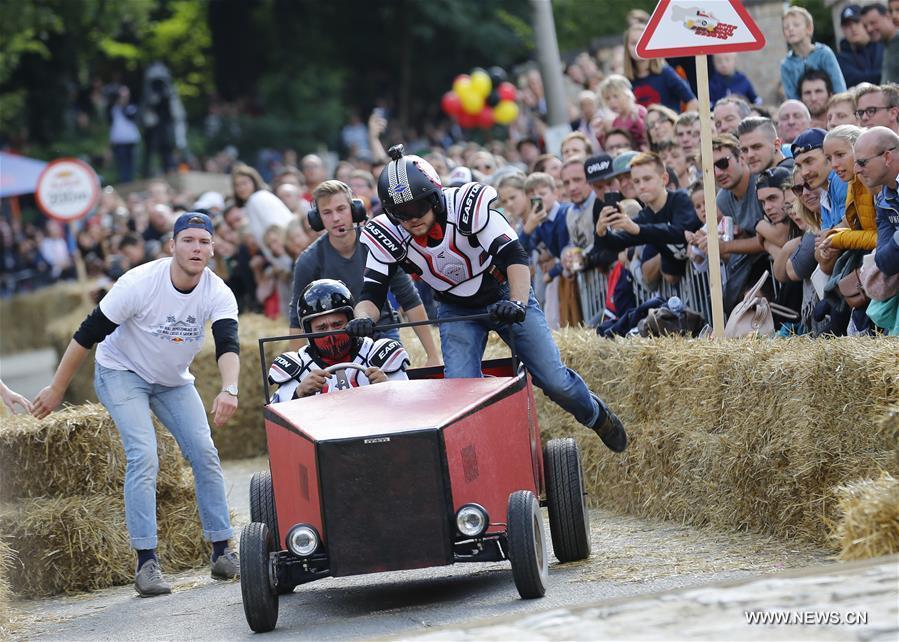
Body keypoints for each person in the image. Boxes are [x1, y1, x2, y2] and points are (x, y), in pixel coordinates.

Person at [350, 145, 627, 453]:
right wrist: (362, 318)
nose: (412, 218)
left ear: (435, 198)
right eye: (401, 213)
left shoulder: (468, 207)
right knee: (461, 394)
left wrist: (518, 303)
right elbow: (371, 293)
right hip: (456, 308)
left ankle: (596, 415)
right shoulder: (387, 234)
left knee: (554, 381)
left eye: (418, 207)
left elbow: (515, 257)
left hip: (504, 292)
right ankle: (491, 450)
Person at [30, 212, 240, 597]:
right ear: (172, 246)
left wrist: (230, 388)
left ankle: (222, 550)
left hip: (172, 381)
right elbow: (86, 334)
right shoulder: (139, 283)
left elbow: (227, 344)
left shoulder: (218, 291)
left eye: (204, 242)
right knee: (144, 454)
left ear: (213, 249)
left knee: (205, 453)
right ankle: (146, 563)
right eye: (188, 240)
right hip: (121, 371)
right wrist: (57, 389)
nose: (196, 248)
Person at [288, 180, 441, 364]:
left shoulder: (378, 244)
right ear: (317, 219)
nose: (336, 218)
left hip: (382, 332)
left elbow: (409, 298)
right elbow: (297, 319)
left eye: (341, 209)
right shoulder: (309, 260)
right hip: (336, 341)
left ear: (355, 210)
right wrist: (299, 370)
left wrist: (433, 356)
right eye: (327, 212)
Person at [269, 279, 408, 402]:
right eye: (322, 328)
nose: (331, 336)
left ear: (350, 321)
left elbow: (408, 406)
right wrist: (298, 395)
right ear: (309, 331)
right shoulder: (295, 367)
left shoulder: (380, 354)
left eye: (337, 324)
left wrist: (388, 387)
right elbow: (276, 418)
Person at [593, 152, 700, 284]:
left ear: (664, 179)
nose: (641, 186)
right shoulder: (645, 216)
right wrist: (601, 231)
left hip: (712, 279)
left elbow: (680, 232)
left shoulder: (680, 199)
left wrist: (637, 229)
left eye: (647, 179)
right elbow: (615, 243)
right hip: (689, 287)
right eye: (636, 181)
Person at [854, 127, 899, 276]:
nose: (856, 170)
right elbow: (884, 263)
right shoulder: (883, 200)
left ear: (887, 157)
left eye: (862, 162)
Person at [622, 24, 698, 113]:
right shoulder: (624, 80)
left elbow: (693, 102)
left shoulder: (666, 73)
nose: (638, 47)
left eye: (642, 42)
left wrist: (680, 121)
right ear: (627, 48)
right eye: (633, 43)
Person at [780, 6, 847, 101]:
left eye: (796, 25)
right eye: (786, 27)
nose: (790, 29)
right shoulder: (786, 65)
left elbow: (839, 87)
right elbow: (792, 98)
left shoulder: (824, 54)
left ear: (809, 28)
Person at [792, 128, 848, 230]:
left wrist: (828, 236)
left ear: (828, 156)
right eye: (799, 166)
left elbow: (850, 226)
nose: (804, 172)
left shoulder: (839, 180)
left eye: (809, 161)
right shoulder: (824, 195)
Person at [837, 4, 884, 88]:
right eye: (847, 25)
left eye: (856, 22)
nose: (853, 28)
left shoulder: (883, 46)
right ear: (843, 30)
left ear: (865, 23)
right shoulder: (841, 58)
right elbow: (853, 80)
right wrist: (881, 74)